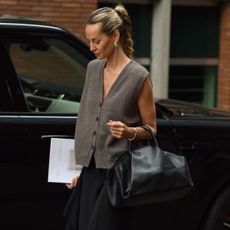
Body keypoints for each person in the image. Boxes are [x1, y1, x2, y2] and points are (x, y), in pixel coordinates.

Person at [63, 4, 157, 230]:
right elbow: (85, 119)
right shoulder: (93, 69)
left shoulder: (139, 77)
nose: (91, 47)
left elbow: (151, 129)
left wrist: (129, 132)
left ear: (114, 36)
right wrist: (79, 168)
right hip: (91, 172)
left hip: (119, 174)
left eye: (97, 40)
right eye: (89, 40)